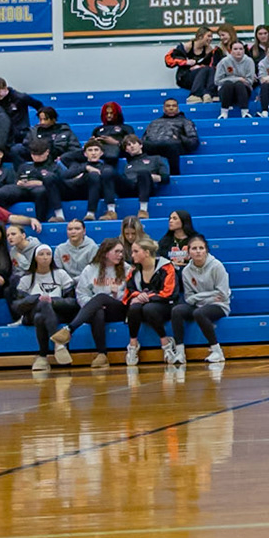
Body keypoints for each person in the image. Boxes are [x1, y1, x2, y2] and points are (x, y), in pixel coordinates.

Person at [60, 238, 130, 370]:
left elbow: (131, 295)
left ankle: (69, 329)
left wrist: (116, 295)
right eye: (116, 251)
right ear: (106, 253)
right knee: (98, 310)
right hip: (97, 309)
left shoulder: (127, 269)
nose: (120, 255)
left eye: (121, 252)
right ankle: (102, 355)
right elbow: (81, 294)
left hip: (119, 308)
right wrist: (93, 305)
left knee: (101, 297)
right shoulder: (90, 269)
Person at [15, 244, 79, 371]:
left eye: (48, 254)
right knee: (42, 306)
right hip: (31, 314)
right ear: (35, 258)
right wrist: (37, 299)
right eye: (41, 254)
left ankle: (42, 357)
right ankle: (58, 343)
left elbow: (73, 302)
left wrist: (52, 302)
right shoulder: (27, 279)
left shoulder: (61, 275)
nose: (45, 257)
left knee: (40, 318)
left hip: (56, 313)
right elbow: (18, 306)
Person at [171, 236, 231, 370]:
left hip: (219, 305)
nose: (198, 251)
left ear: (206, 251)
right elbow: (189, 298)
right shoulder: (186, 271)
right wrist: (209, 296)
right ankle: (180, 352)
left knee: (199, 313)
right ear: (189, 252)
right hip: (198, 304)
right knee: (176, 311)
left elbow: (222, 294)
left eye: (201, 248)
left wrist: (200, 298)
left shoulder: (217, 266)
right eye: (194, 248)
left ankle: (217, 351)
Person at [121, 239, 179, 368]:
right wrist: (137, 295)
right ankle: (133, 345)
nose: (132, 255)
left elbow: (169, 292)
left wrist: (147, 297)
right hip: (144, 304)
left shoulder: (166, 267)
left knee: (149, 309)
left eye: (136, 251)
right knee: (134, 308)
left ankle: (166, 343)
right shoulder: (134, 270)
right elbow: (128, 292)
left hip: (165, 304)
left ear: (146, 253)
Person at [54, 140, 116, 222]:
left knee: (95, 175)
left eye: (96, 150)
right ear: (85, 154)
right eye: (90, 150)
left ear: (101, 153)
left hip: (96, 192)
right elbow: (64, 170)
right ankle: (59, 216)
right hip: (75, 190)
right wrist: (86, 168)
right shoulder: (78, 165)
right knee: (52, 179)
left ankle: (94, 213)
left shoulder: (106, 168)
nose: (93, 153)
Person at [140, 98, 199, 176]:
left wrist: (179, 137)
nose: (171, 108)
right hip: (152, 146)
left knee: (171, 145)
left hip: (172, 147)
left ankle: (173, 175)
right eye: (168, 106)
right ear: (164, 108)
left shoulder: (186, 122)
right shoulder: (154, 122)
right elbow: (144, 138)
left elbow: (193, 142)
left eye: (174, 106)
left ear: (178, 108)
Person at [115, 136, 168, 219]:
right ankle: (110, 211)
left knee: (143, 172)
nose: (132, 146)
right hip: (130, 188)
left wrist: (152, 177)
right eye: (128, 145)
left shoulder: (156, 159)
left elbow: (165, 178)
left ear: (141, 145)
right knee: (110, 173)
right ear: (126, 150)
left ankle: (143, 210)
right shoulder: (127, 165)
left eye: (134, 143)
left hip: (146, 186)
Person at [214, 40, 257, 118]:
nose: (238, 51)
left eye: (241, 49)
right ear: (231, 51)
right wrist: (238, 79)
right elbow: (217, 81)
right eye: (235, 49)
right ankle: (224, 113)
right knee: (228, 84)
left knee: (239, 84)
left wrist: (237, 80)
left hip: (243, 91)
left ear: (244, 50)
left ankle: (245, 112)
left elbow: (250, 81)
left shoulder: (249, 61)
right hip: (226, 91)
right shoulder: (224, 62)